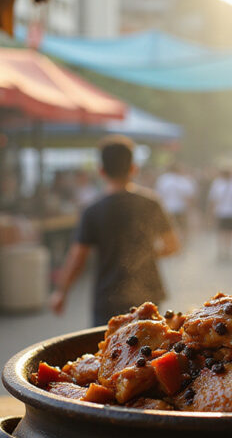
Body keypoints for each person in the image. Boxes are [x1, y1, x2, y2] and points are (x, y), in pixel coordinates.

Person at [50, 136, 180, 326]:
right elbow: (173, 246)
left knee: (109, 349)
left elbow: (78, 258)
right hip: (148, 294)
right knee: (147, 349)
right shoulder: (151, 203)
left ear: (101, 171)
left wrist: (61, 292)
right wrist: (145, 255)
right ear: (133, 168)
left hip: (108, 297)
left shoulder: (92, 210)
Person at [208, 167, 232, 261]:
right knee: (223, 233)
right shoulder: (218, 183)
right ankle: (223, 252)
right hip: (222, 212)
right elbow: (213, 200)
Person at [155, 163, 198, 242]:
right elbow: (188, 197)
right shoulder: (183, 180)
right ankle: (182, 243)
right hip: (181, 208)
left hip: (166, 208)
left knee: (168, 227)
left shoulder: (163, 179)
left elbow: (159, 195)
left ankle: (170, 242)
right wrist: (191, 210)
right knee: (182, 227)